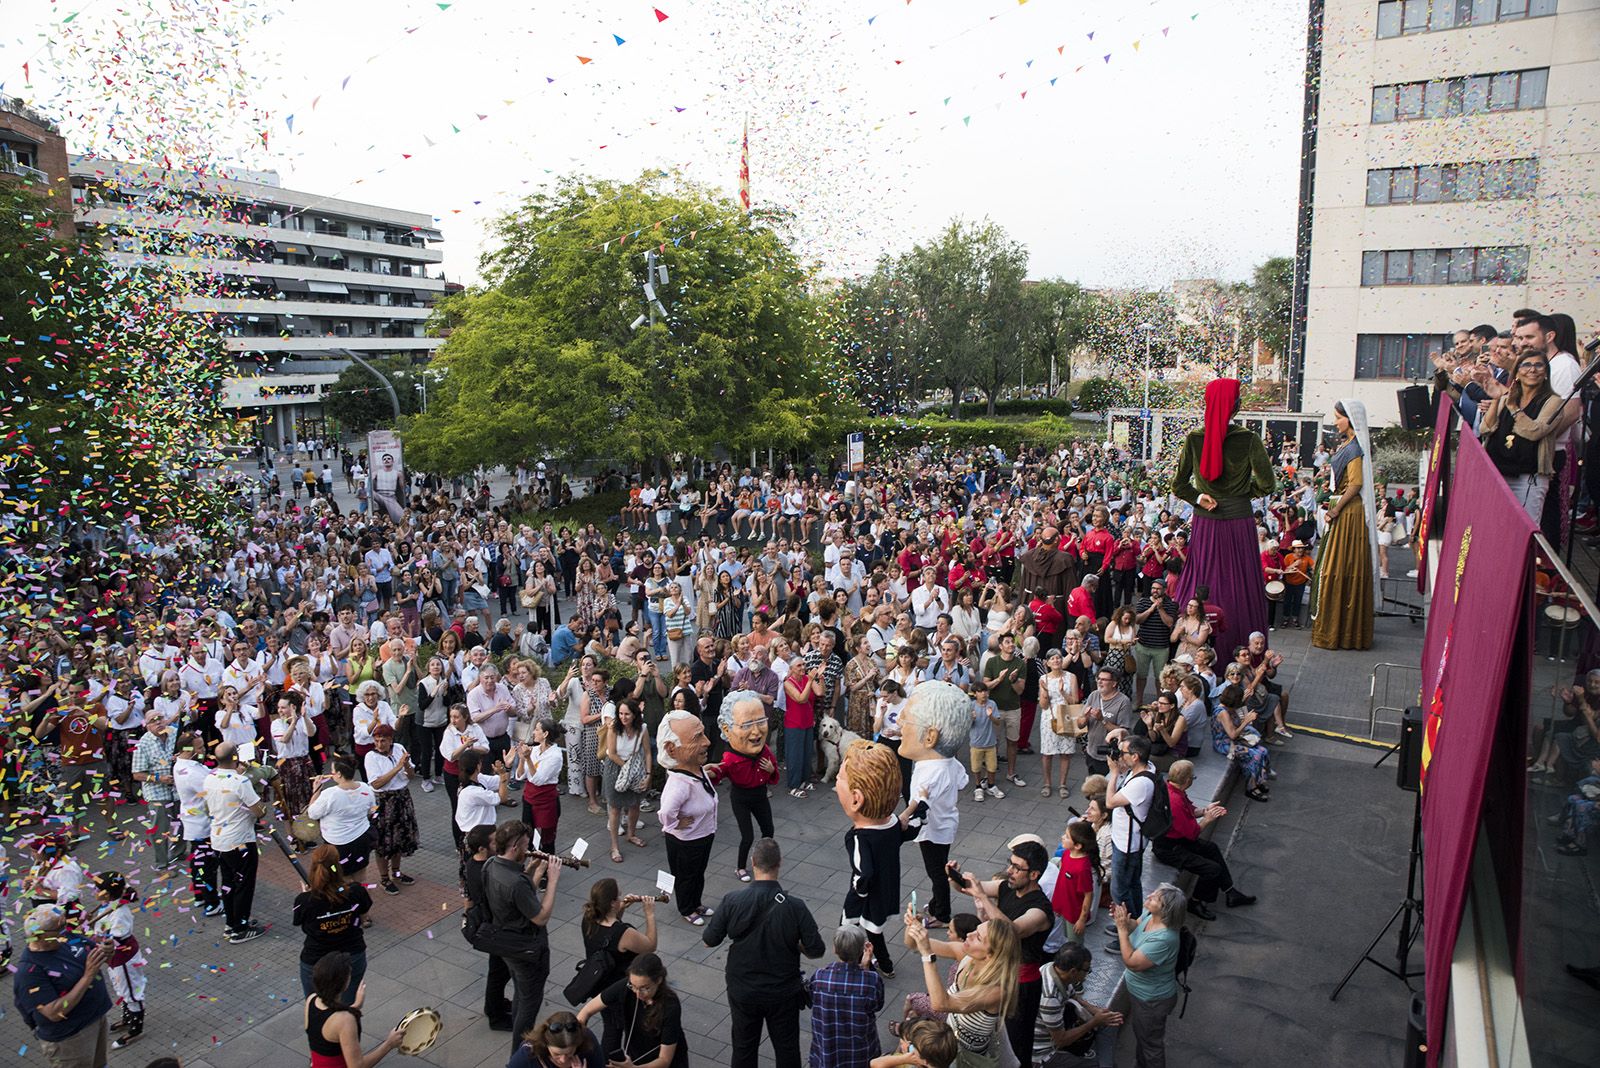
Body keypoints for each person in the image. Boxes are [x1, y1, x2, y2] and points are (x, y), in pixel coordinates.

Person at [1169, 378, 1274, 660]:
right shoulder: (1249, 440)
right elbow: (1267, 484)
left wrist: (1200, 497)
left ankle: (1192, 652)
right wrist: (1239, 495)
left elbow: (1179, 485)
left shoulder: (1194, 439)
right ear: (1236, 407)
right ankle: (1244, 651)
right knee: (1241, 584)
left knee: (1206, 581)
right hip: (1239, 521)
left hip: (1206, 522)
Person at [703, 837, 825, 1068]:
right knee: (787, 1048)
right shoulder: (795, 906)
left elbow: (709, 940)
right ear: (780, 863)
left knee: (743, 1047)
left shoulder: (732, 900)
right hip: (783, 991)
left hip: (743, 988)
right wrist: (794, 943)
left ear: (753, 862)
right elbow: (816, 950)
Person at [952, 841, 1055, 1068]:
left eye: (1017, 868)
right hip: (997, 972)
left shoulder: (1040, 910)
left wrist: (983, 897)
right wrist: (954, 877)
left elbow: (1011, 931)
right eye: (1010, 864)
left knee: (1016, 1042)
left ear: (1034, 874)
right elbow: (969, 887)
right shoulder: (1006, 887)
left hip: (1021, 984)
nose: (1010, 871)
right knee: (992, 1033)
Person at [835, 739, 926, 973]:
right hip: (887, 891)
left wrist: (852, 907)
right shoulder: (893, 824)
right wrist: (921, 807)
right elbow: (912, 828)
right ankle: (885, 965)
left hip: (865, 897)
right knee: (875, 931)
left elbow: (863, 873)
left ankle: (857, 968)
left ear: (856, 799)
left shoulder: (857, 837)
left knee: (849, 935)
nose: (837, 781)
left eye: (839, 778)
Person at [901, 908, 1021, 1066]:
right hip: (951, 1042)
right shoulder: (967, 956)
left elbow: (940, 1004)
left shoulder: (995, 990)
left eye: (978, 937)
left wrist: (927, 955)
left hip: (968, 1057)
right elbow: (912, 944)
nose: (969, 935)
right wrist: (912, 927)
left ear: (990, 955)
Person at [482, 820, 563, 1054]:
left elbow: (520, 894)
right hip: (527, 949)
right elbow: (541, 917)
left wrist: (535, 870)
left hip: (507, 945)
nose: (529, 850)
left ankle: (519, 1037)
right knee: (529, 1004)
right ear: (515, 847)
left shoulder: (491, 865)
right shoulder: (515, 883)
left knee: (521, 993)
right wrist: (553, 879)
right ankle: (520, 1054)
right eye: (526, 846)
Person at [1310, 399, 1379, 651]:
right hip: (1342, 509)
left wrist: (1336, 509)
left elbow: (1356, 483)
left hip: (1348, 514)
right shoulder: (1348, 446)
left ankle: (1337, 631)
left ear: (1349, 419)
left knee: (1336, 569)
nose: (1335, 421)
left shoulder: (1354, 449)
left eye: (1338, 417)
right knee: (1331, 567)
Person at [1153, 760, 1256, 920]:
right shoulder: (1175, 802)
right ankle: (1195, 902)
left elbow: (1191, 810)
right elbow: (1193, 833)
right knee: (1211, 869)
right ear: (1187, 781)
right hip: (1170, 848)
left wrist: (1205, 810)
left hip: (1176, 841)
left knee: (1211, 848)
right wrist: (1207, 819)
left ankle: (1230, 891)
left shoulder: (1172, 789)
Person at [13, 904, 113, 1067]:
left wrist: (108, 950)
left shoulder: (66, 938)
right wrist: (88, 976)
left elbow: (103, 956)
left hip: (96, 1021)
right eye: (58, 929)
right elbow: (54, 1012)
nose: (64, 931)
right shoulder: (29, 972)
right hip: (70, 1040)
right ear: (39, 935)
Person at [1109, 885, 1186, 1068]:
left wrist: (1121, 929)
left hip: (1152, 999)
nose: (1150, 896)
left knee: (1150, 1044)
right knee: (1144, 1036)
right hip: (1141, 994)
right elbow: (1136, 926)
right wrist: (1123, 920)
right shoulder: (1151, 915)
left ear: (1166, 910)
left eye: (1155, 898)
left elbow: (1132, 962)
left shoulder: (1164, 938)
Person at [656, 709, 719, 925]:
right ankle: (686, 908)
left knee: (699, 873)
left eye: (703, 734)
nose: (707, 742)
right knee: (686, 876)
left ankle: (696, 902)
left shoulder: (696, 770)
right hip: (686, 840)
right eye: (697, 737)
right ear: (671, 749)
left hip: (703, 834)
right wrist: (675, 823)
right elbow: (665, 812)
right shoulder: (678, 784)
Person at [709, 690, 779, 880]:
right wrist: (707, 773)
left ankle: (765, 860)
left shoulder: (764, 751)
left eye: (760, 722)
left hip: (761, 795)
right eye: (747, 724)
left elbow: (775, 778)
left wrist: (772, 769)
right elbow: (719, 772)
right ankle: (740, 867)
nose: (756, 732)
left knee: (768, 831)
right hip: (741, 798)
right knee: (747, 836)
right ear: (726, 729)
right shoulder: (730, 757)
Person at [576, 953, 688, 1067]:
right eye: (633, 986)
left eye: (645, 988)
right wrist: (574, 1043)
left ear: (658, 980)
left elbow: (664, 1060)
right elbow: (587, 1011)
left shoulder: (670, 1005)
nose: (638, 993)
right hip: (635, 1057)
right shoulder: (627, 986)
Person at [293, 843, 373, 1000]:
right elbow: (363, 916)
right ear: (338, 867)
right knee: (348, 1005)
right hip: (352, 955)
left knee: (316, 1007)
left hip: (316, 960)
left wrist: (309, 896)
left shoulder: (305, 900)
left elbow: (301, 923)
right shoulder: (355, 891)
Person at [203, 743, 266, 944]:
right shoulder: (241, 781)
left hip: (219, 839)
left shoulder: (209, 778)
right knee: (244, 884)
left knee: (228, 883)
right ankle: (240, 928)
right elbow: (258, 811)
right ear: (235, 757)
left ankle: (231, 923)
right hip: (240, 840)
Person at [303, 951, 405, 1068]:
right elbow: (357, 1066)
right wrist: (389, 1044)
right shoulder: (345, 1020)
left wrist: (356, 1005)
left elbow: (327, 1022)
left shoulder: (311, 1000)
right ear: (344, 983)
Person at [807, 925, 886, 1068]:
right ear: (861, 950)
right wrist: (865, 968)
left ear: (835, 949)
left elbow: (811, 998)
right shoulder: (871, 980)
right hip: (860, 1051)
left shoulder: (820, 977)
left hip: (828, 1048)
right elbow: (877, 1005)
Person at [1032, 944, 1121, 1067]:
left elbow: (1074, 996)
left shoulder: (1052, 968)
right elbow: (1061, 1041)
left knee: (1106, 1022)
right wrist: (1094, 1022)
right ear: (1073, 971)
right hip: (1043, 1053)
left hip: (1055, 1028)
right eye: (1087, 971)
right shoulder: (1050, 999)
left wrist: (1096, 1011)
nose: (1088, 974)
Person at [1104, 735, 1156, 937]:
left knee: (1119, 891)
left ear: (1135, 757)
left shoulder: (1140, 784)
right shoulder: (1147, 767)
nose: (1120, 755)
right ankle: (1135, 923)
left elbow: (1110, 801)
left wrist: (1114, 772)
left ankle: (1126, 932)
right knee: (1133, 884)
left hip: (1127, 844)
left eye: (1124, 752)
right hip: (1132, 840)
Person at [88, 872, 147, 1049]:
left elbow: (113, 939)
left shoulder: (120, 913)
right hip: (114, 959)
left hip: (124, 957)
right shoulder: (107, 905)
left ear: (106, 892)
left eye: (97, 889)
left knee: (132, 992)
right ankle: (128, 1018)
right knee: (121, 988)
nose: (94, 891)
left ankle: (135, 1030)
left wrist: (90, 937)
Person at [579, 878, 660, 1008]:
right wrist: (649, 914)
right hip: (619, 987)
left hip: (599, 982)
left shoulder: (589, 917)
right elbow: (650, 946)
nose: (621, 897)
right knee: (617, 1023)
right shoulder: (623, 933)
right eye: (619, 896)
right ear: (612, 903)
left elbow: (608, 930)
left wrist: (621, 908)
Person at [362, 726, 419, 894]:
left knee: (400, 837)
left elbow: (411, 775)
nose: (379, 744)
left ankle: (397, 872)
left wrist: (407, 765)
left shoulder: (399, 749)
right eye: (376, 741)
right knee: (383, 841)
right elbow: (376, 783)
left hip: (402, 797)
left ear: (390, 740)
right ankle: (384, 877)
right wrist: (397, 767)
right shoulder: (370, 757)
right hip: (384, 801)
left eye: (383, 740)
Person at [305, 756, 378, 877]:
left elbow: (312, 813)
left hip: (338, 842)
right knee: (360, 871)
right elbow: (372, 810)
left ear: (339, 774)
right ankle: (360, 893)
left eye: (332, 771)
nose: (331, 774)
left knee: (342, 876)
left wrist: (316, 790)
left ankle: (346, 894)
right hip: (362, 837)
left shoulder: (330, 794)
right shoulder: (365, 787)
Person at [982, 632, 1028, 789]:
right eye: (1007, 642)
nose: (1011, 644)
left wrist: (1013, 680)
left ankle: (1011, 772)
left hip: (1013, 709)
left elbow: (1020, 691)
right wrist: (999, 680)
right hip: (994, 709)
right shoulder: (992, 662)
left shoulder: (1020, 664)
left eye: (1012, 642)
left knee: (1012, 742)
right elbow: (985, 686)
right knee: (992, 742)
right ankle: (990, 774)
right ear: (1000, 646)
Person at [508, 1009, 605, 1068]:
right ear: (545, 1043)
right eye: (556, 1054)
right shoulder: (527, 1056)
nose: (563, 1060)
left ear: (578, 1044)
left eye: (569, 1053)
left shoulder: (588, 1045)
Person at [970, 682, 1005, 801]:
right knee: (976, 767)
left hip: (990, 742)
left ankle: (991, 785)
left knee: (992, 766)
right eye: (980, 692)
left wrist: (991, 716)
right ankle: (978, 787)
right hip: (976, 743)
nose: (984, 694)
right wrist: (971, 719)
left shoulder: (992, 704)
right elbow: (967, 725)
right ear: (975, 694)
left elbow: (997, 722)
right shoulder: (971, 706)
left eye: (985, 691)